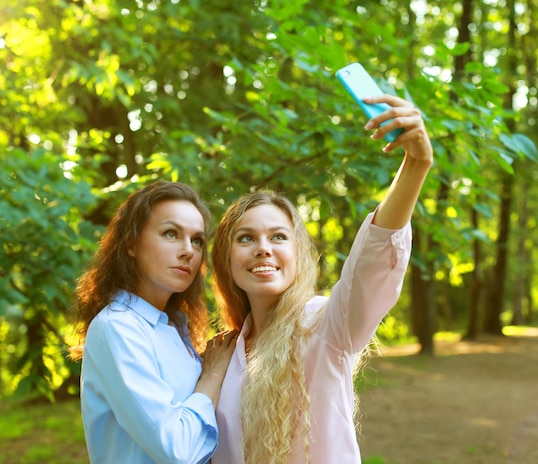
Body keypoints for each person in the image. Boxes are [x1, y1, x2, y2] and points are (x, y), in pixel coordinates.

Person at [210, 94, 434, 464]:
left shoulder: (324, 325)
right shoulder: (225, 351)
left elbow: (371, 264)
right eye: (246, 238)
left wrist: (416, 164)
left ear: (297, 255)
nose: (263, 248)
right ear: (226, 258)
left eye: (278, 237)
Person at [68, 181, 237, 464]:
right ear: (131, 244)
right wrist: (212, 376)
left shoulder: (172, 328)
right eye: (171, 234)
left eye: (197, 240)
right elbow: (178, 450)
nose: (188, 251)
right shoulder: (117, 327)